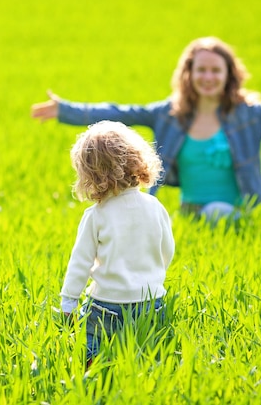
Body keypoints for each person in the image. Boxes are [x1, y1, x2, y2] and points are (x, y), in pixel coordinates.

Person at [31, 36, 261, 222]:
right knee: (192, 220)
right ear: (189, 74)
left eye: (216, 70)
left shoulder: (251, 115)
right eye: (201, 70)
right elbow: (116, 112)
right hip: (190, 212)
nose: (208, 77)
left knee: (219, 213)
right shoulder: (169, 114)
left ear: (229, 75)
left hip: (238, 213)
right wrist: (65, 110)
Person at [60, 120, 175, 365]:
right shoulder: (155, 206)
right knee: (148, 354)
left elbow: (80, 263)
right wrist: (152, 276)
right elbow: (167, 250)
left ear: (90, 174)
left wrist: (69, 301)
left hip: (106, 303)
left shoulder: (97, 214)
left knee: (91, 350)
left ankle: (94, 376)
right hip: (150, 301)